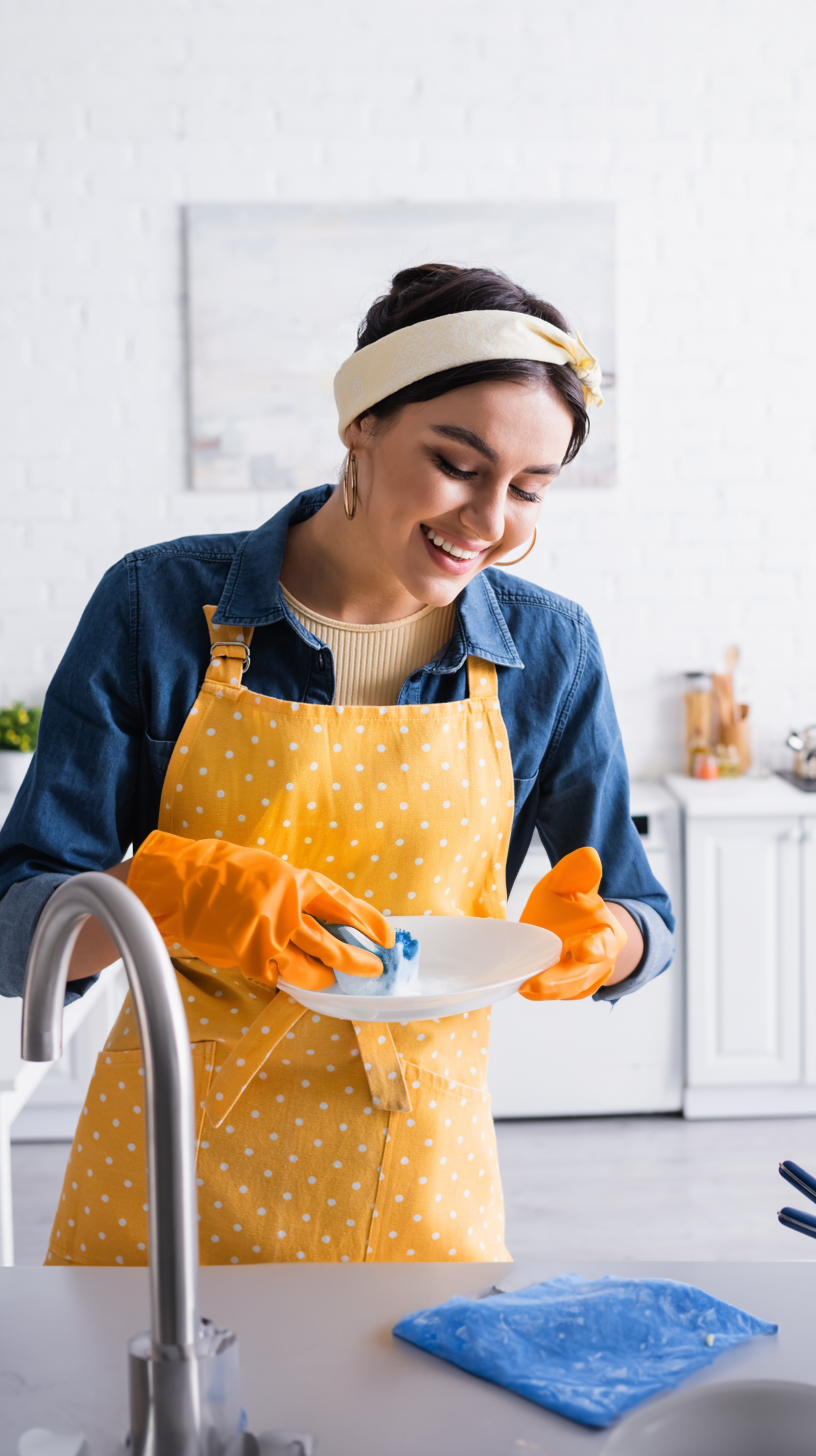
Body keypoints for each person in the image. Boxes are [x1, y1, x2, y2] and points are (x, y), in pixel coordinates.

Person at [0, 263, 674, 1267]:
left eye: (530, 490)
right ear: (362, 421)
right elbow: (16, 929)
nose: (490, 522)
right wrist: (155, 894)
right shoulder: (156, 609)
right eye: (457, 463)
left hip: (415, 1166)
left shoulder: (550, 651)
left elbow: (646, 918)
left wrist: (606, 938)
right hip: (170, 1159)